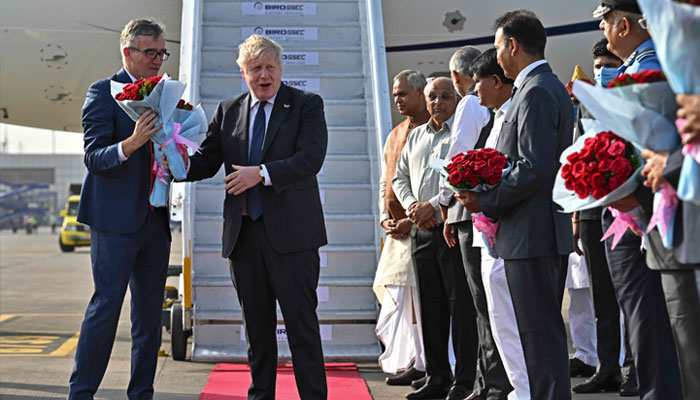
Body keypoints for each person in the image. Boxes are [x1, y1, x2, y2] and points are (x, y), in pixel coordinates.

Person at [181, 34, 328, 399]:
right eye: (255, 68)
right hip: (244, 238)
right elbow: (205, 161)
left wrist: (259, 173)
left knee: (302, 328)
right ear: (243, 74)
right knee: (258, 332)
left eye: (270, 67)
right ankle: (261, 395)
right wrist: (172, 157)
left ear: (280, 69)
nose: (264, 75)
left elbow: (310, 160)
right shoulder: (228, 109)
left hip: (293, 239)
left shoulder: (306, 104)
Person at [455, 10, 574, 400]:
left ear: (512, 45)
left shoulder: (536, 90)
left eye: (497, 46)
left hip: (531, 232)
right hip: (532, 232)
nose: (497, 56)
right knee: (538, 343)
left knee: (539, 343)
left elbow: (533, 168)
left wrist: (484, 199)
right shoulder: (542, 86)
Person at [68, 19, 172, 400]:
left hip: (155, 221)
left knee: (148, 320)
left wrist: (176, 156)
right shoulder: (102, 93)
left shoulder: (166, 95)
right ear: (127, 52)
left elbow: (168, 152)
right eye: (150, 52)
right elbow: (94, 157)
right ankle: (81, 393)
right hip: (114, 224)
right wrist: (131, 144)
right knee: (106, 309)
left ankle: (141, 393)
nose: (157, 60)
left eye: (162, 53)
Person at [590, 1, 684, 398]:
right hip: (632, 208)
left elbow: (652, 144)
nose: (605, 33)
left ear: (623, 24)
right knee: (643, 316)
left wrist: (631, 194)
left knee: (649, 318)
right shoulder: (635, 69)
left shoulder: (648, 72)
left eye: (607, 24)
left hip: (645, 209)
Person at [393, 77, 475, 400]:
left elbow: (463, 178)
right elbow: (400, 176)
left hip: (449, 230)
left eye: (445, 96)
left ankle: (465, 380)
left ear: (455, 99)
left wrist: (435, 209)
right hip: (420, 232)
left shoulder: (461, 132)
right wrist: (412, 205)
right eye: (432, 97)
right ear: (424, 101)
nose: (438, 101)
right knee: (431, 307)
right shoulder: (415, 138)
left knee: (461, 310)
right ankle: (438, 377)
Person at [440, 46, 511, 400]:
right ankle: (491, 382)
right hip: (480, 212)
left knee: (484, 304)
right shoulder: (490, 107)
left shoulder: (470, 104)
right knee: (486, 305)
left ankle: (493, 383)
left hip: (473, 211)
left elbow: (457, 157)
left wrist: (442, 202)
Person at [569, 37, 637, 395]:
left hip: (625, 211)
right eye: (596, 67)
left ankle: (635, 368)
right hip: (594, 213)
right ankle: (607, 366)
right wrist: (578, 219)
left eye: (607, 64)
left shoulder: (630, 96)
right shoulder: (586, 105)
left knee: (630, 296)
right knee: (603, 299)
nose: (601, 72)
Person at [469, 48, 526, 400]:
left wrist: (483, 198)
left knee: (515, 323)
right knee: (500, 321)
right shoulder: (496, 119)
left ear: (495, 81)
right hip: (487, 233)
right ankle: (520, 389)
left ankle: (526, 390)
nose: (475, 91)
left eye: (477, 83)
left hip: (509, 232)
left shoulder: (513, 114)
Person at [374, 69, 429, 386]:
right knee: (402, 299)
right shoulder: (395, 134)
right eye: (395, 94)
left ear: (420, 93)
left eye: (403, 94)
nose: (397, 99)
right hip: (399, 232)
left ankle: (429, 364)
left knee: (424, 302)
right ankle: (415, 360)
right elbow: (386, 183)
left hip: (427, 228)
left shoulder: (435, 131)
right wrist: (385, 217)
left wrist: (413, 219)